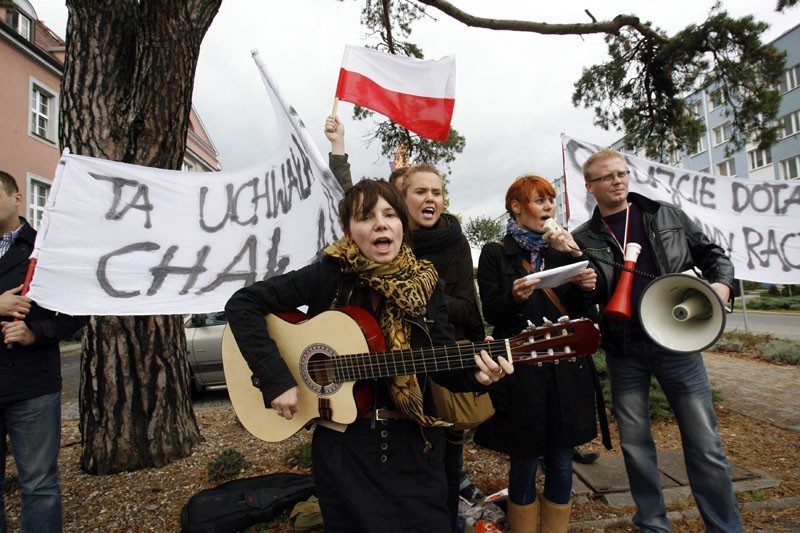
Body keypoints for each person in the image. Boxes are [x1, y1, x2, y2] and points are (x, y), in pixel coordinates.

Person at [225, 179, 513, 532]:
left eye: (390, 214)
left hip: (415, 445)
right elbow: (243, 304)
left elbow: (441, 364)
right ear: (349, 231)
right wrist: (275, 377)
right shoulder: (329, 274)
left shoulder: (428, 285)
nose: (380, 223)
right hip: (344, 450)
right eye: (365, 217)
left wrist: (477, 375)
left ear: (402, 226)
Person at [572, 149, 743, 532]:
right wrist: (585, 288)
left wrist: (721, 285)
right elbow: (587, 301)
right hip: (624, 348)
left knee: (705, 445)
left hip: (677, 343)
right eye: (607, 177)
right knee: (634, 446)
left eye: (621, 173)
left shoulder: (663, 213)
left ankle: (725, 527)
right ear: (590, 187)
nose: (617, 180)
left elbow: (714, 254)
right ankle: (653, 524)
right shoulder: (583, 238)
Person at [475, 174, 607, 533]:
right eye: (539, 200)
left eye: (551, 200)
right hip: (523, 371)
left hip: (565, 368)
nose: (549, 207)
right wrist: (514, 298)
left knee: (562, 460)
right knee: (524, 460)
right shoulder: (496, 252)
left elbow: (586, 316)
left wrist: (586, 281)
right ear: (517, 207)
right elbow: (492, 313)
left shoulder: (563, 249)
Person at [401, 164, 488, 528]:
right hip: (399, 367)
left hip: (444, 360)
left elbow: (468, 306)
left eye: (436, 192)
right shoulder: (389, 237)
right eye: (421, 192)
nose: (430, 199)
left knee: (447, 459)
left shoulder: (455, 240)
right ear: (403, 199)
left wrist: (422, 300)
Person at [0, 170, 86, 533]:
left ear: (17, 198)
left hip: (32, 386)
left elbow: (74, 311)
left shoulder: (44, 249)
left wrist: (35, 333)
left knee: (39, 485)